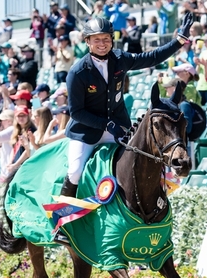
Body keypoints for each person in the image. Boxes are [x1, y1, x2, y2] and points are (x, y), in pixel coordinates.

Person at [60, 14, 193, 197]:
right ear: (88, 41)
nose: (102, 43)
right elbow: (76, 112)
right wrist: (105, 124)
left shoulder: (120, 58)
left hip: (118, 126)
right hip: (86, 131)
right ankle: (62, 216)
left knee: (143, 158)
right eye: (97, 39)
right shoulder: (77, 72)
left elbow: (151, 57)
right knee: (75, 172)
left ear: (112, 40)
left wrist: (179, 41)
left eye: (106, 38)